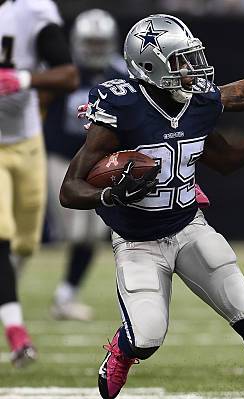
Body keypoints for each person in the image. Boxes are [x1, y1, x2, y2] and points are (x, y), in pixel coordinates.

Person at [59, 15, 244, 399]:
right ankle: (123, 349)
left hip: (189, 228)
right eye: (181, 61)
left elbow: (228, 161)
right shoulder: (121, 108)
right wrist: (110, 195)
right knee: (147, 337)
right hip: (138, 241)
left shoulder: (198, 104)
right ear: (151, 65)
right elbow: (69, 189)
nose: (193, 68)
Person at [0, 0, 79, 366]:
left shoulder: (32, 10)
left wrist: (25, 78)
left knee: (26, 244)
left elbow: (68, 75)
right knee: (1, 235)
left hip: (27, 141)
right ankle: (16, 333)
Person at [45, 9, 127, 321]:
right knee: (75, 233)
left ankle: (66, 295)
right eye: (89, 43)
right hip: (61, 158)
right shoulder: (63, 72)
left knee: (93, 233)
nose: (94, 49)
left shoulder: (119, 72)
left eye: (99, 42)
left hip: (98, 162)